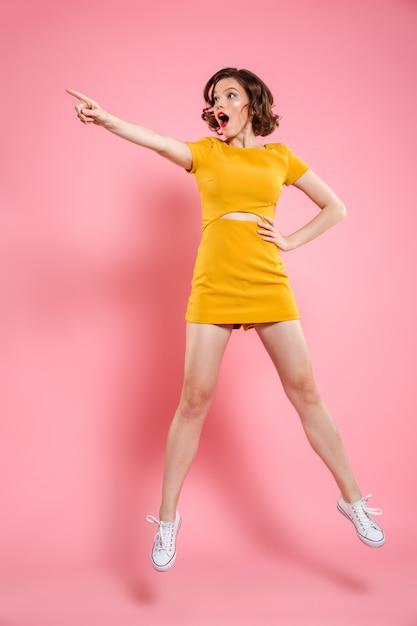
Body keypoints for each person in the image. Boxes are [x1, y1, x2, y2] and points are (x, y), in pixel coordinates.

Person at [67, 67, 385, 572]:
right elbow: (156, 142)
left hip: (266, 280)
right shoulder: (204, 153)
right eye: (214, 96)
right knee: (193, 400)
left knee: (305, 391)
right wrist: (107, 120)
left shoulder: (280, 157)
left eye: (230, 94)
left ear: (252, 104)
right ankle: (168, 520)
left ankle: (352, 499)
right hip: (214, 282)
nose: (220, 102)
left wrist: (291, 240)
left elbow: (336, 207)